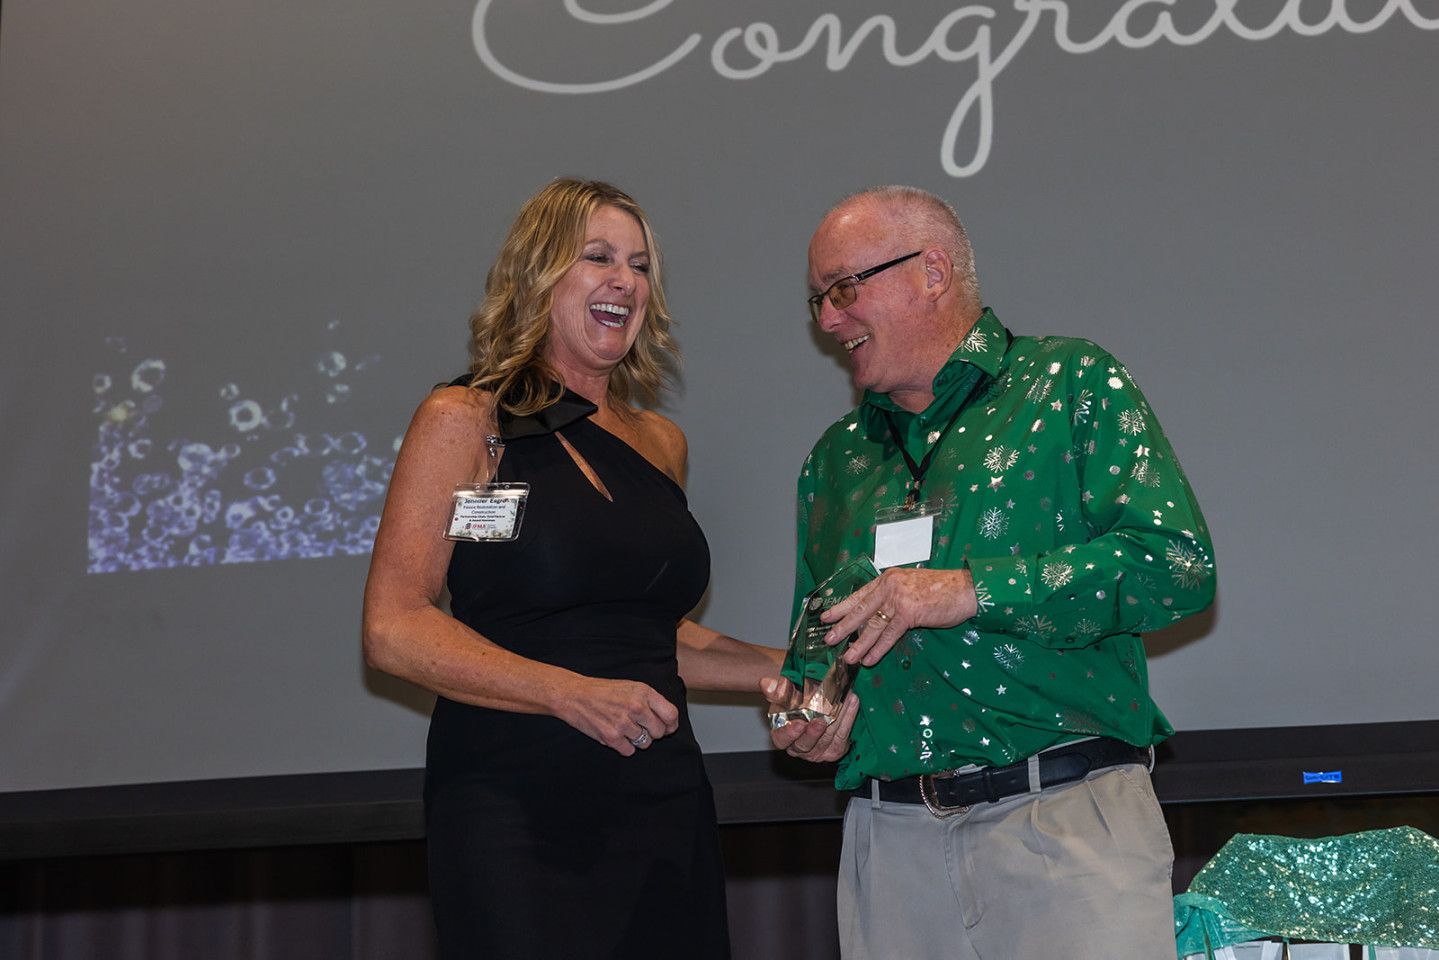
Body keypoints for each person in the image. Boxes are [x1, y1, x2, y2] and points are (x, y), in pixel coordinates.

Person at [762, 185, 1216, 960]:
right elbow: (818, 647)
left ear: (932, 271)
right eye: (818, 302)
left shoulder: (1071, 381)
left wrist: (969, 590)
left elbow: (1175, 566)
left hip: (1062, 823)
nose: (829, 321)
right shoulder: (832, 461)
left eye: (843, 289)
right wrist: (810, 718)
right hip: (886, 844)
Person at [362, 178, 782, 960]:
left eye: (639, 265)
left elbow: (652, 639)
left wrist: (789, 671)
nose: (623, 279)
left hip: (659, 798)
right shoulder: (467, 421)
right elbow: (395, 629)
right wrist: (567, 694)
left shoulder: (660, 443)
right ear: (539, 275)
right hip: (515, 803)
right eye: (596, 258)